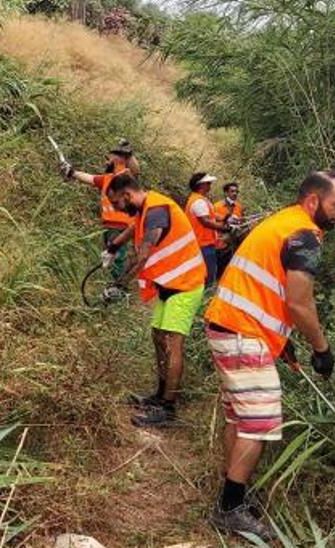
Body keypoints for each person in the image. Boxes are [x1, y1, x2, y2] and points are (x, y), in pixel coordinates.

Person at [203, 171, 335, 539]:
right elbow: (299, 302)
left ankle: (231, 490)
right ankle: (230, 507)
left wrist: (280, 338)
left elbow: (263, 284)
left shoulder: (282, 221)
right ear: (313, 202)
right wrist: (322, 348)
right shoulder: (304, 235)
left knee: (239, 417)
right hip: (243, 333)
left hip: (230, 324)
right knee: (260, 423)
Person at [102, 173, 206, 426]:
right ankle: (159, 396)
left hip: (186, 284)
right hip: (169, 284)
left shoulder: (158, 210)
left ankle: (168, 410)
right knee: (158, 336)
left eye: (117, 203)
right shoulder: (145, 209)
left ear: (127, 195)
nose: (117, 209)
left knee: (172, 343)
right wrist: (113, 246)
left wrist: (118, 284)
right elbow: (132, 228)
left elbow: (144, 254)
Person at [61, 139, 140, 282]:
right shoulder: (106, 179)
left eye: (109, 158)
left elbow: (135, 169)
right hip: (109, 227)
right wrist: (72, 172)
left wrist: (128, 153)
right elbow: (90, 178)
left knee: (117, 259)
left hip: (122, 226)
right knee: (112, 257)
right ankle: (114, 286)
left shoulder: (124, 175)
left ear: (119, 159)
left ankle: (118, 288)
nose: (106, 161)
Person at [184, 172, 228, 288]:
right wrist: (224, 228)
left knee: (209, 274)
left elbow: (212, 215)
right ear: (201, 185)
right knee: (208, 276)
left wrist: (225, 218)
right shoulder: (198, 202)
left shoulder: (201, 200)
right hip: (202, 245)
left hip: (205, 244)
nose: (210, 185)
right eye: (208, 183)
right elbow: (206, 222)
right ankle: (205, 300)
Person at [212, 181, 244, 278]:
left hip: (234, 241)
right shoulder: (216, 206)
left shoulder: (239, 206)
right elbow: (212, 224)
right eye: (232, 191)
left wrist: (239, 223)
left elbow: (241, 222)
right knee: (220, 267)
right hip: (221, 241)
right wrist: (226, 222)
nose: (235, 193)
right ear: (226, 193)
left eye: (236, 192)